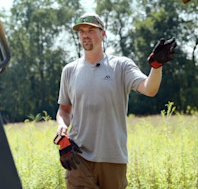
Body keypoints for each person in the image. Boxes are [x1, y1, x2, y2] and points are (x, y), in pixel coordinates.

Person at [55, 13, 176, 188]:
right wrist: (62, 129)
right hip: (77, 156)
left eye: (90, 30)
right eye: (81, 31)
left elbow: (149, 89)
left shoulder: (121, 66)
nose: (85, 35)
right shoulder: (69, 70)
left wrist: (156, 66)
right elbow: (64, 110)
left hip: (113, 157)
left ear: (103, 34)